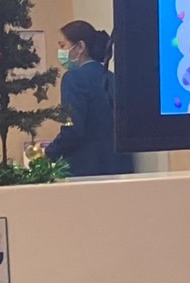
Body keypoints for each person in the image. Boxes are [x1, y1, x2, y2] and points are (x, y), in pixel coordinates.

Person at [48, 20, 134, 177]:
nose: (61, 51)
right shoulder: (113, 78)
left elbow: (73, 130)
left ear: (80, 47)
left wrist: (48, 153)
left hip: (86, 170)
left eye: (63, 45)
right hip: (120, 169)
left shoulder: (73, 79)